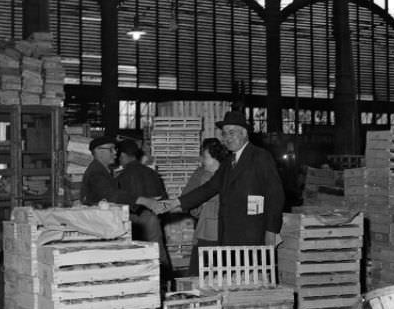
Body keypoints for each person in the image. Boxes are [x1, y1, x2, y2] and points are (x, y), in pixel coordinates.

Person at [138, 110, 285, 246]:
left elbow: (276, 196)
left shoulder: (260, 157)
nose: (227, 138)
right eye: (224, 133)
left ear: (244, 133)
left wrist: (271, 231)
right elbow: (209, 188)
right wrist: (175, 202)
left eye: (231, 133)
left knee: (252, 273)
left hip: (253, 233)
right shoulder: (228, 162)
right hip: (228, 233)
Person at [115, 138, 172, 280]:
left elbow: (118, 203)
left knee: (137, 260)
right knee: (158, 254)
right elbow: (164, 200)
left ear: (122, 155)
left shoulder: (122, 176)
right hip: (154, 219)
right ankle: (167, 284)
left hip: (134, 221)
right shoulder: (152, 173)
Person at [181, 138, 229, 276]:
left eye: (205, 157)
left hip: (225, 234)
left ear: (216, 159)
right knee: (200, 273)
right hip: (206, 231)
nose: (202, 161)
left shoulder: (230, 175)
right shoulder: (201, 174)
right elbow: (187, 199)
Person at [79, 135, 131, 206]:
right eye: (111, 149)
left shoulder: (104, 169)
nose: (115, 152)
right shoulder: (96, 172)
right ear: (100, 152)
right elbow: (111, 196)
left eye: (115, 149)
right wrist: (141, 200)